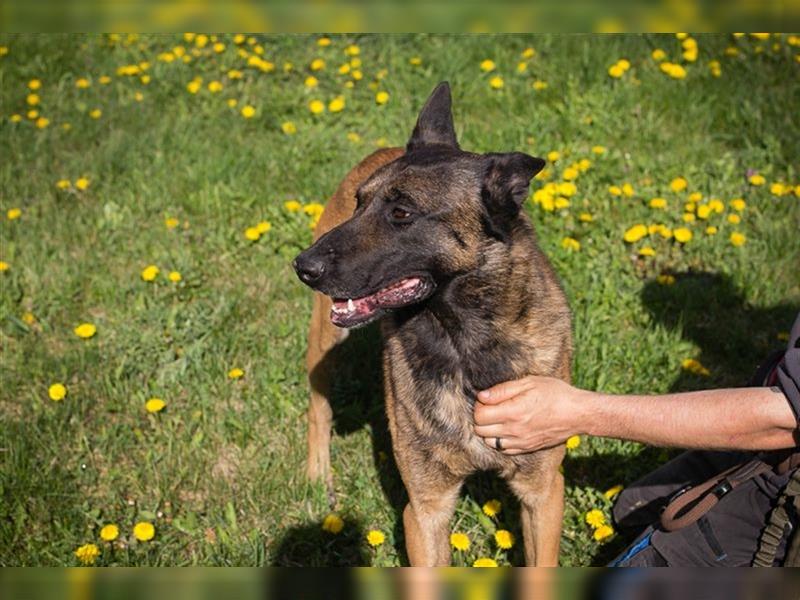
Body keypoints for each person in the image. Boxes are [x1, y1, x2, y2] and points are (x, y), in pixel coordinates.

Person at [474, 313, 800, 566]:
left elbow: (781, 418)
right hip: (772, 443)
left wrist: (578, 412)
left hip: (784, 474)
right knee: (631, 507)